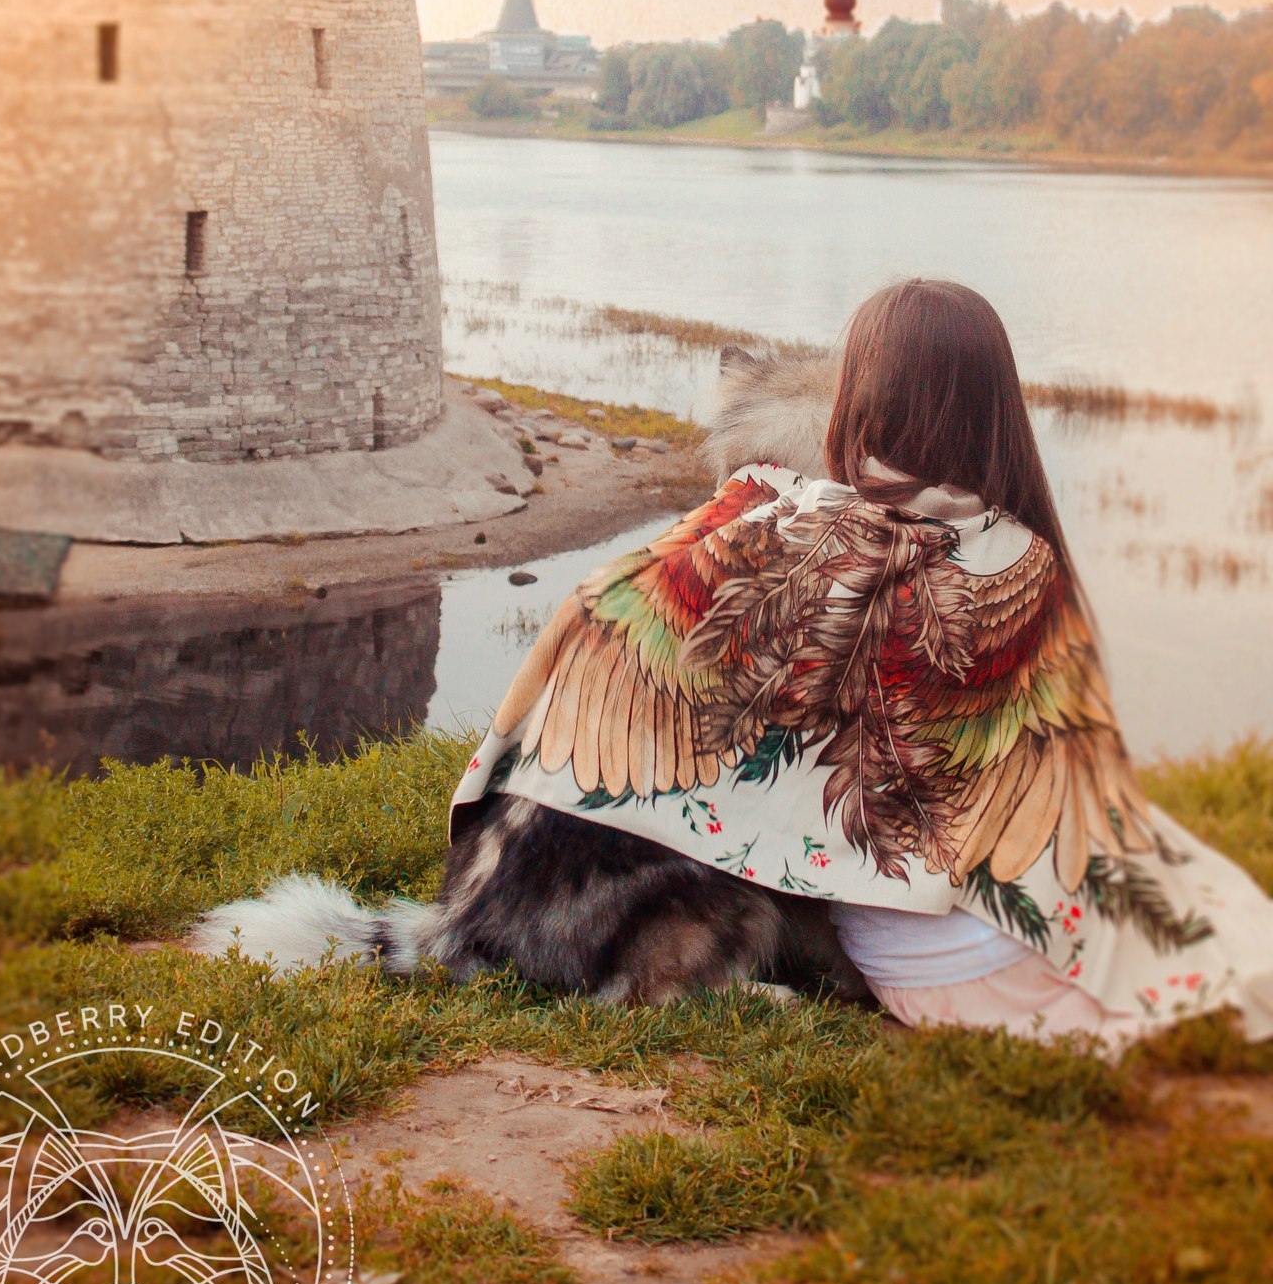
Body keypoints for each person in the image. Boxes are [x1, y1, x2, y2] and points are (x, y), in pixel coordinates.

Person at [444, 278, 1273, 1048]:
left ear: (860, 401)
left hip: (894, 950)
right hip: (968, 943)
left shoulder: (776, 522)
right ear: (995, 413)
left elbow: (598, 616)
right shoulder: (1017, 558)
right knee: (1182, 936)